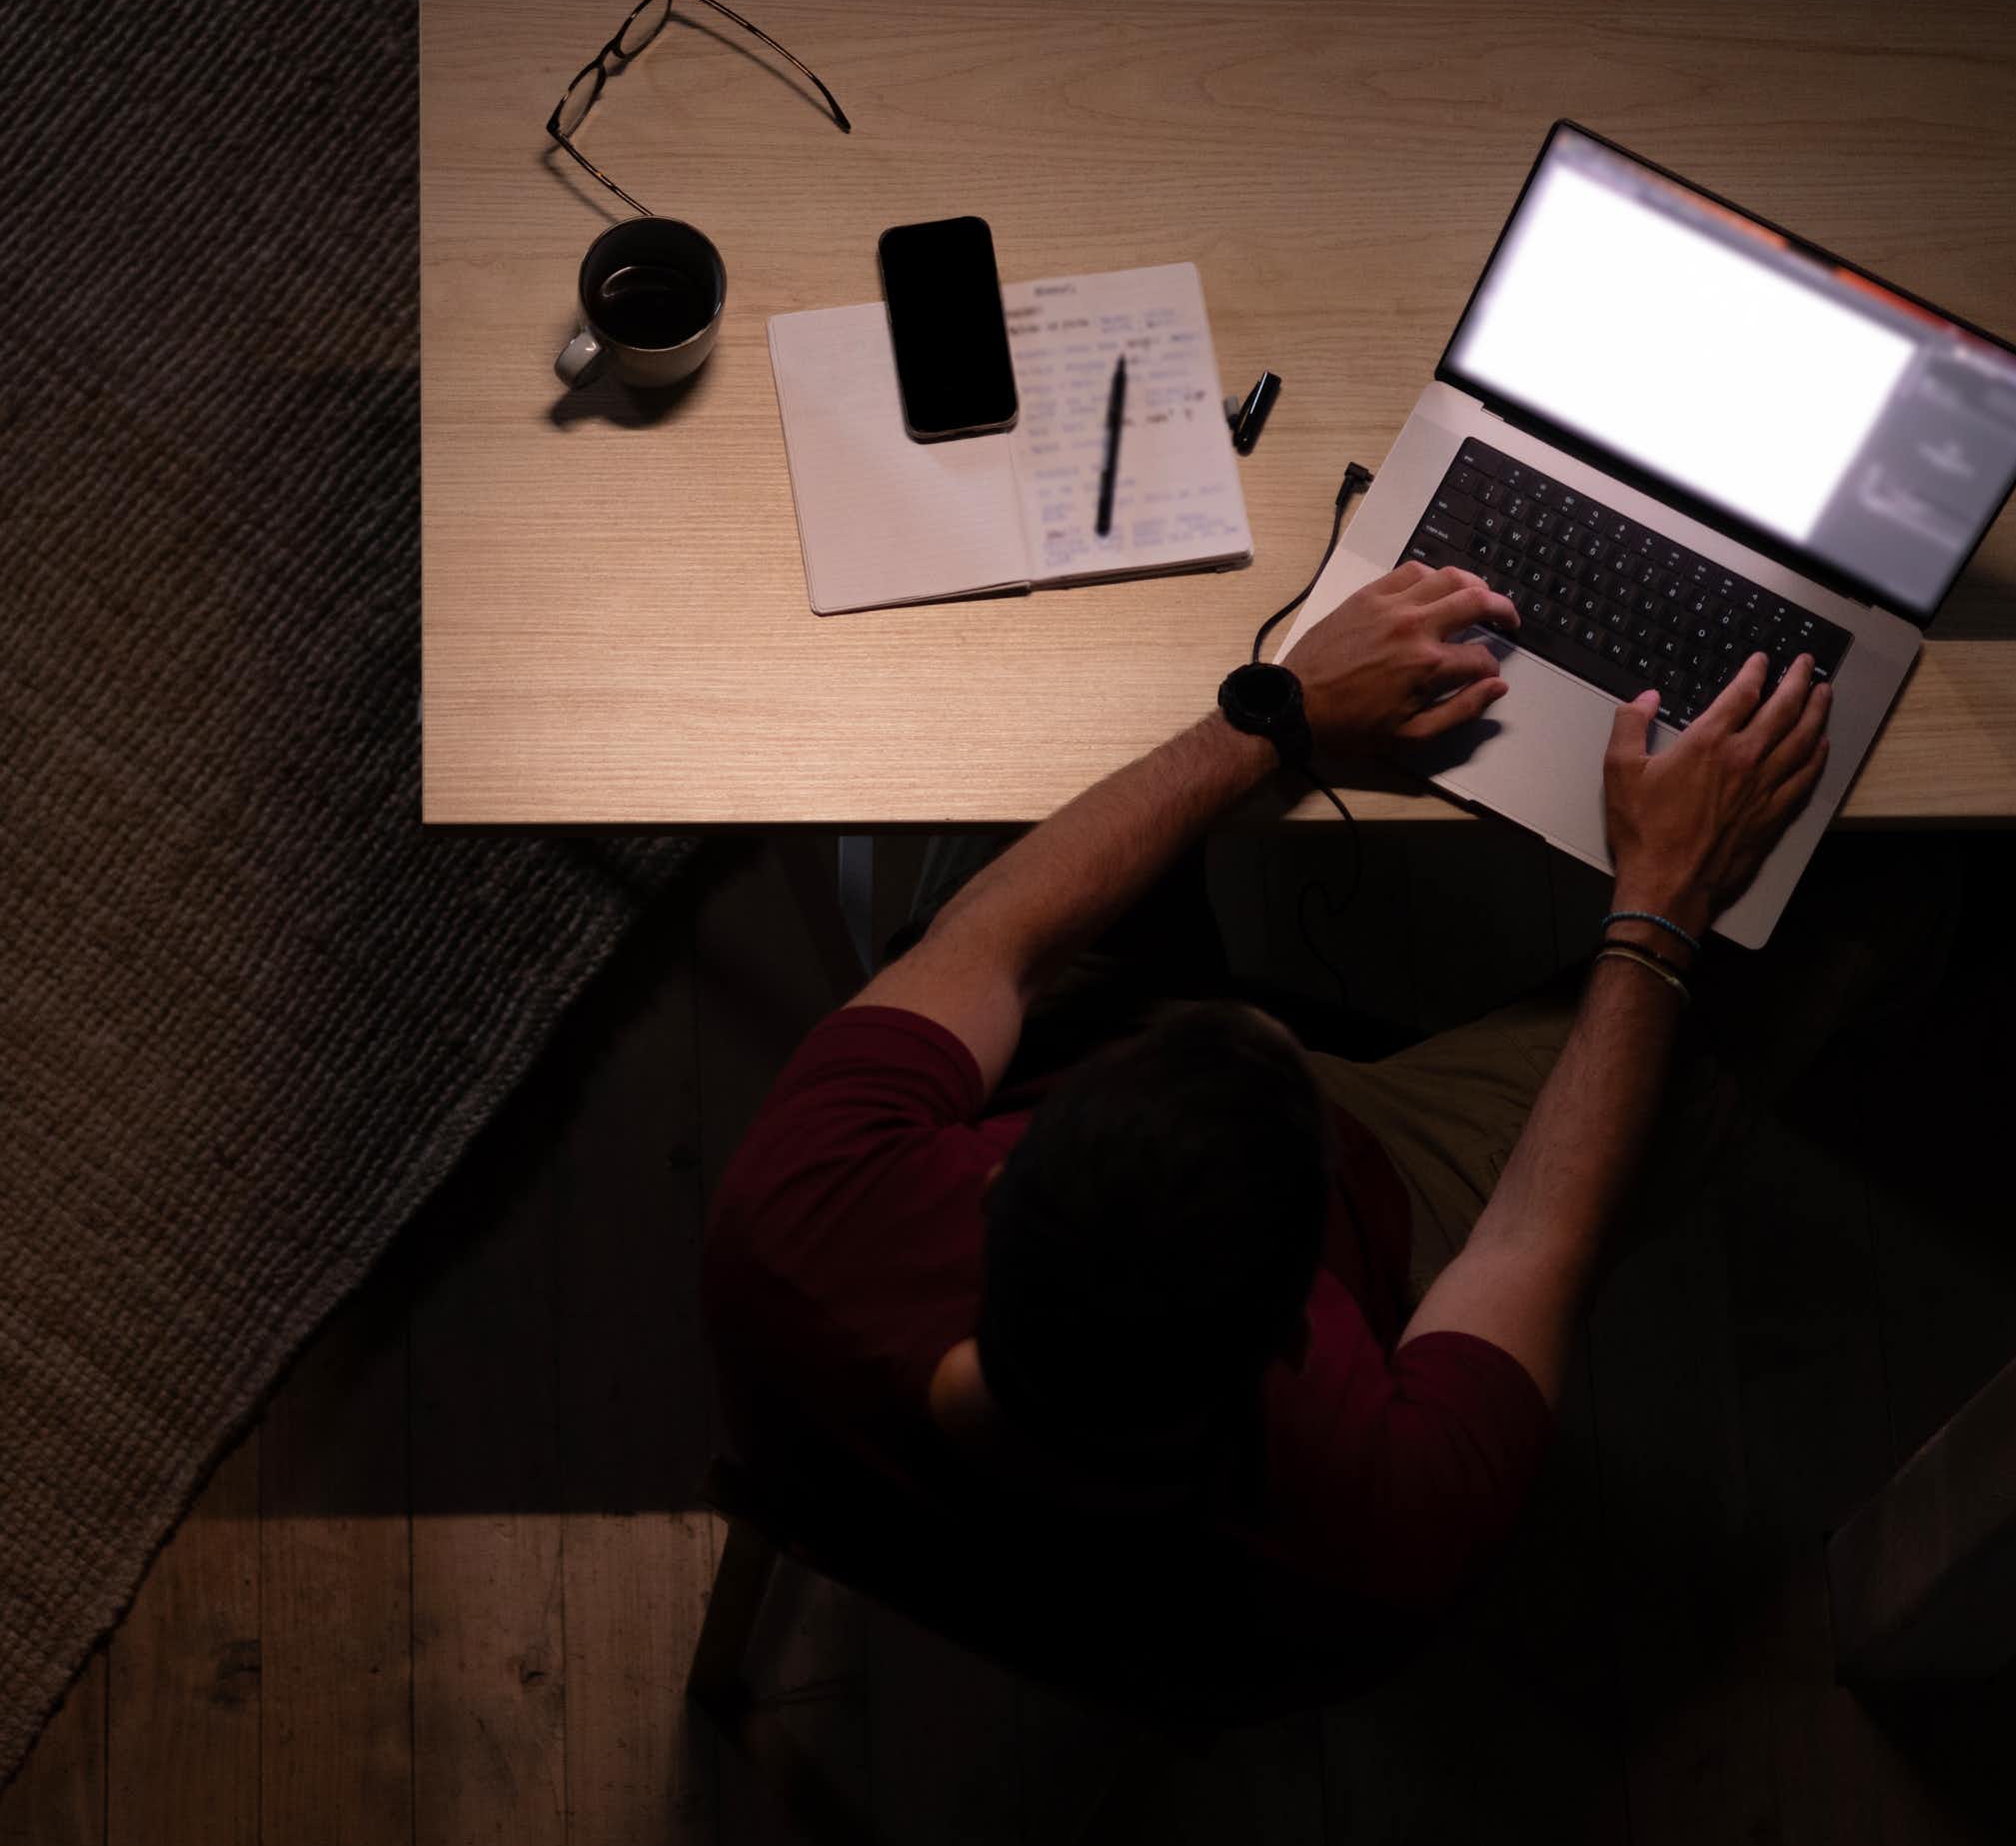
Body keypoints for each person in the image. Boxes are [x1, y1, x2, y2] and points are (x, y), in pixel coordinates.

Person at [701, 561, 1831, 1715]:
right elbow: (1528, 1239)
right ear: (1302, 1321)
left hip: (936, 1510)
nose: (1259, 1023)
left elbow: (993, 946)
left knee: (1083, 709)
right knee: (1799, 945)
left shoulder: (789, 1221)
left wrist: (1273, 711)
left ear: (998, 1178)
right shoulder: (1386, 1527)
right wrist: (1659, 903)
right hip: (1389, 1188)